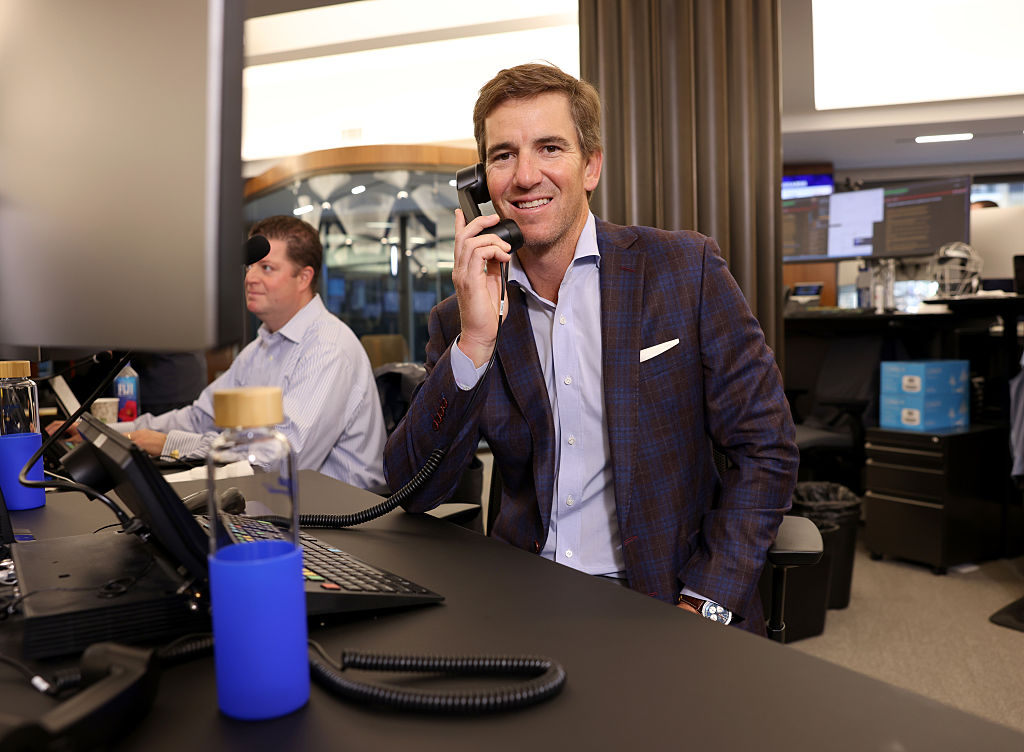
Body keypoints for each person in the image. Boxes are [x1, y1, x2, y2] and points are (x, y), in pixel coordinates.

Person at [383, 63, 798, 635]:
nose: (525, 175)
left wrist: (705, 604)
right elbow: (413, 489)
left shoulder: (685, 270)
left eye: (550, 148)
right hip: (523, 600)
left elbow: (767, 449)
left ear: (591, 166)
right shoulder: (461, 316)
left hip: (664, 600)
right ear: (480, 182)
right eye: (503, 156)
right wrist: (475, 341)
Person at [114, 215, 387, 491]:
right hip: (279, 497)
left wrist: (171, 444)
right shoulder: (259, 349)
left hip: (336, 509)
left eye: (266, 268)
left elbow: (279, 460)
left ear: (304, 278)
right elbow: (200, 418)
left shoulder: (328, 348)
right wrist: (117, 433)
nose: (250, 278)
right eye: (250, 267)